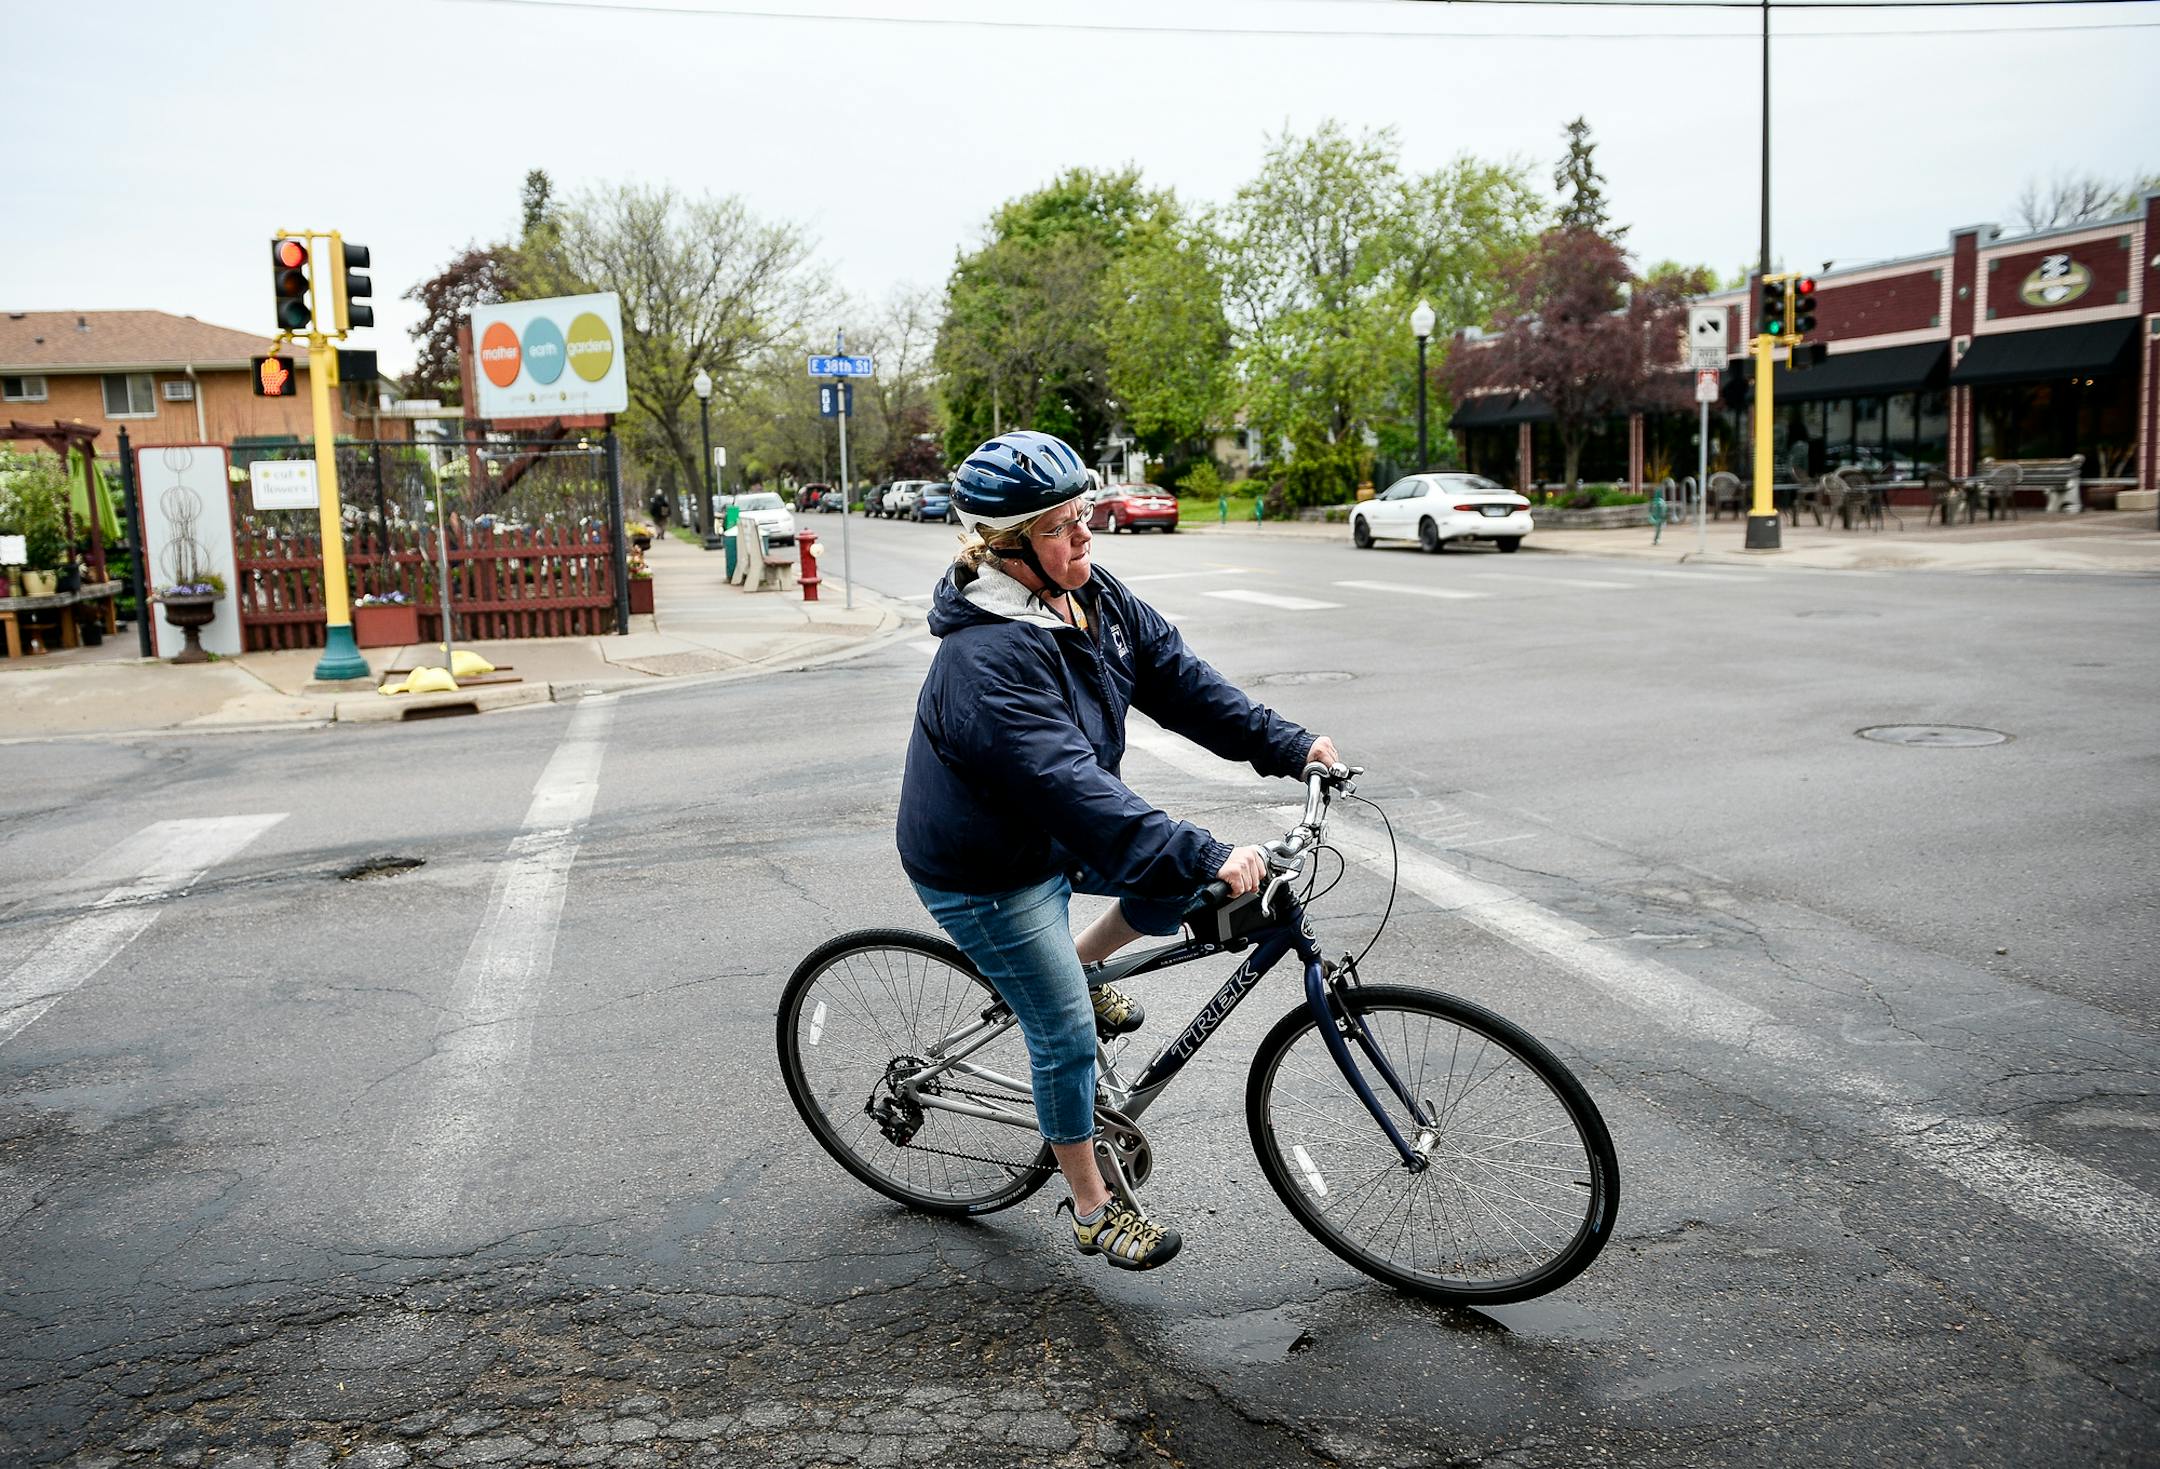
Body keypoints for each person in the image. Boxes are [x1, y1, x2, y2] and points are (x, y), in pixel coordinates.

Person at [896, 431, 1341, 1273]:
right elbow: (1076, 790)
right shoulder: (983, 663)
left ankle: (1081, 967)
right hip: (986, 869)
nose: (1085, 537)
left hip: (1055, 829)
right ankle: (1092, 1205)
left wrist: (1292, 745)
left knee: (1182, 882)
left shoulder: (1091, 593)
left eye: (1085, 515)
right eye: (1062, 527)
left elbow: (1180, 680)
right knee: (1062, 1032)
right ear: (1009, 548)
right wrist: (1204, 848)